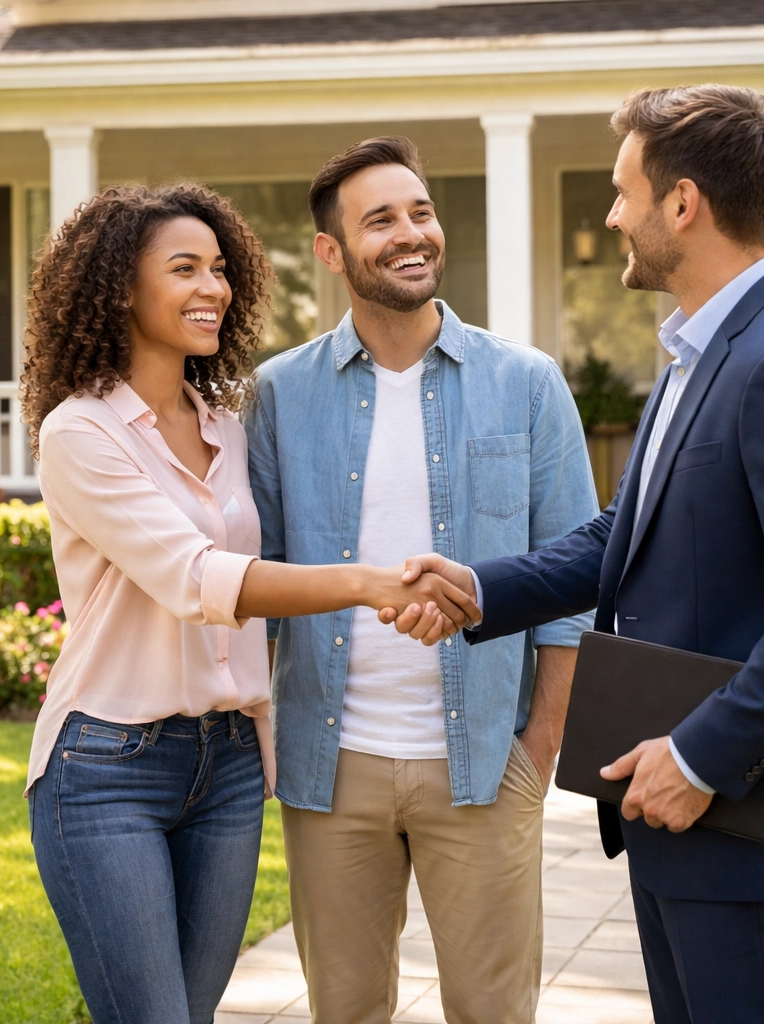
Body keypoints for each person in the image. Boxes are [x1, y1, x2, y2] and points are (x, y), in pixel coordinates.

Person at [392, 86, 764, 1024]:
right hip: (675, 817)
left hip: (746, 817)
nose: (613, 214)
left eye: (625, 191)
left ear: (683, 202)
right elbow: (619, 537)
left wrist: (702, 756)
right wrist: (477, 587)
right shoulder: (693, 359)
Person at [18, 182, 479, 1024]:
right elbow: (199, 579)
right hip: (106, 766)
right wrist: (373, 582)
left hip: (227, 766)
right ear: (121, 287)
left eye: (221, 269)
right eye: (184, 268)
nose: (214, 289)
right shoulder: (80, 432)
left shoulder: (231, 420)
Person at [244, 138, 598, 1024]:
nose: (412, 234)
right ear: (332, 253)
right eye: (381, 220)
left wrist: (540, 746)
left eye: (421, 211)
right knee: (346, 1010)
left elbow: (577, 580)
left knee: (493, 1012)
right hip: (333, 768)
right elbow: (254, 585)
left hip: (483, 764)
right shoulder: (278, 395)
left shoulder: (527, 384)